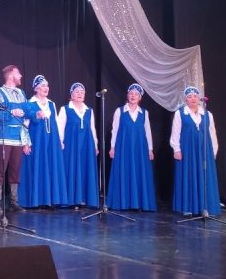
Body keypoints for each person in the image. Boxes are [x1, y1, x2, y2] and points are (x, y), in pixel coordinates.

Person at [0, 65, 34, 213]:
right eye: (18, 73)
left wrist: (36, 113)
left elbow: (28, 110)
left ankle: (14, 202)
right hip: (4, 136)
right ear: (11, 75)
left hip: (18, 137)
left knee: (15, 170)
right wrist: (11, 112)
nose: (21, 76)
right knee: (0, 169)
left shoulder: (21, 93)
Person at [19, 75, 68, 208]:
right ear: (36, 88)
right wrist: (25, 143)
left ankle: (51, 200)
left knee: (51, 167)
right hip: (37, 141)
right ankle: (38, 200)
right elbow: (24, 125)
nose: (46, 88)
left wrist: (60, 141)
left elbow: (56, 123)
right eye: (42, 86)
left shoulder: (51, 104)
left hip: (51, 141)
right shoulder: (30, 103)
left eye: (47, 86)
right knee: (38, 167)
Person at [171, 86, 221, 216]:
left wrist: (214, 151)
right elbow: (175, 133)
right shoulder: (180, 113)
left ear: (199, 98)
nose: (193, 98)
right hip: (187, 150)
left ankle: (206, 207)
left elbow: (212, 134)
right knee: (188, 175)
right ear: (186, 99)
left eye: (195, 96)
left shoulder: (207, 114)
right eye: (189, 96)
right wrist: (176, 149)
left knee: (205, 176)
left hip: (204, 150)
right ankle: (188, 207)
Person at [106, 83, 157, 211]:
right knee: (124, 171)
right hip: (123, 147)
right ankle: (123, 202)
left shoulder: (144, 113)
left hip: (140, 148)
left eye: (136, 94)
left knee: (139, 172)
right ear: (127, 96)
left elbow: (147, 131)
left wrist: (150, 149)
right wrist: (112, 147)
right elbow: (115, 130)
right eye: (131, 94)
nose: (133, 96)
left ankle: (138, 203)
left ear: (140, 98)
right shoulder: (120, 111)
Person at [57, 82, 100, 208]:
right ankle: (70, 199)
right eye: (77, 92)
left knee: (85, 169)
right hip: (71, 145)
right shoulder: (65, 109)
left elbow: (92, 129)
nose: (80, 94)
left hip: (86, 146)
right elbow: (60, 128)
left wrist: (95, 145)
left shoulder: (89, 111)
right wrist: (60, 142)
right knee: (71, 169)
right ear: (71, 95)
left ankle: (83, 199)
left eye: (82, 92)